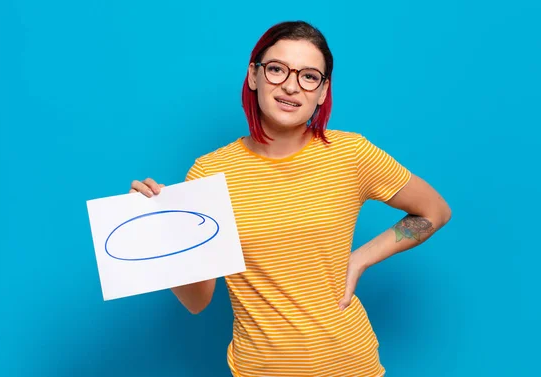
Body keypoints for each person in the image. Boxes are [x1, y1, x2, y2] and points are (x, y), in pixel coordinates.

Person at [129, 20, 451, 377]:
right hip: (258, 369)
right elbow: (197, 301)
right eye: (277, 69)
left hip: (350, 365)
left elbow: (434, 211)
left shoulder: (352, 155)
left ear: (323, 90)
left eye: (309, 76)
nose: (291, 86)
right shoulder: (210, 172)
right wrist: (161, 237)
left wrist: (359, 259)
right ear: (253, 75)